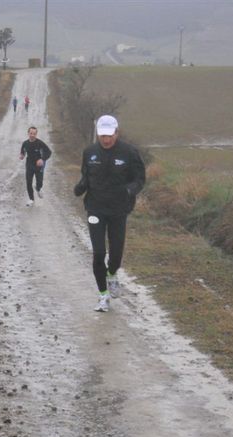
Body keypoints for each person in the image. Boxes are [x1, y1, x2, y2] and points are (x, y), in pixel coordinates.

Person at [74, 115, 145, 312]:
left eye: (109, 136)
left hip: (118, 209)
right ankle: (103, 296)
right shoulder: (89, 152)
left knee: (115, 253)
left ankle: (112, 273)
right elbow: (86, 176)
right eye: (102, 136)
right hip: (95, 208)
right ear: (98, 134)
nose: (106, 140)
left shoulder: (129, 153)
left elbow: (140, 178)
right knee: (98, 254)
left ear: (116, 133)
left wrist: (130, 190)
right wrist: (80, 187)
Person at [19, 126, 52, 206]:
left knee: (39, 182)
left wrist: (42, 159)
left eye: (34, 134)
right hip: (29, 165)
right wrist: (22, 156)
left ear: (36, 134)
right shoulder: (25, 143)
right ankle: (31, 199)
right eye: (31, 133)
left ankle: (38, 187)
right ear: (28, 133)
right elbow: (23, 152)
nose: (32, 135)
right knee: (28, 182)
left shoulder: (40, 143)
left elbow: (49, 152)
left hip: (39, 166)